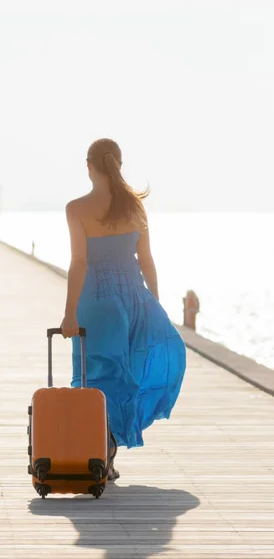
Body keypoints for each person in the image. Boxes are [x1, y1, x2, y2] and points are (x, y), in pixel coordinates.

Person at [60, 138, 186, 480]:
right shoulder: (135, 206)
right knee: (126, 372)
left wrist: (69, 313)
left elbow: (79, 263)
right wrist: (154, 303)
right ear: (118, 163)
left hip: (97, 301)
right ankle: (109, 448)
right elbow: (146, 259)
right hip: (133, 298)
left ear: (89, 166)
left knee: (93, 376)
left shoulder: (76, 208)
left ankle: (100, 451)